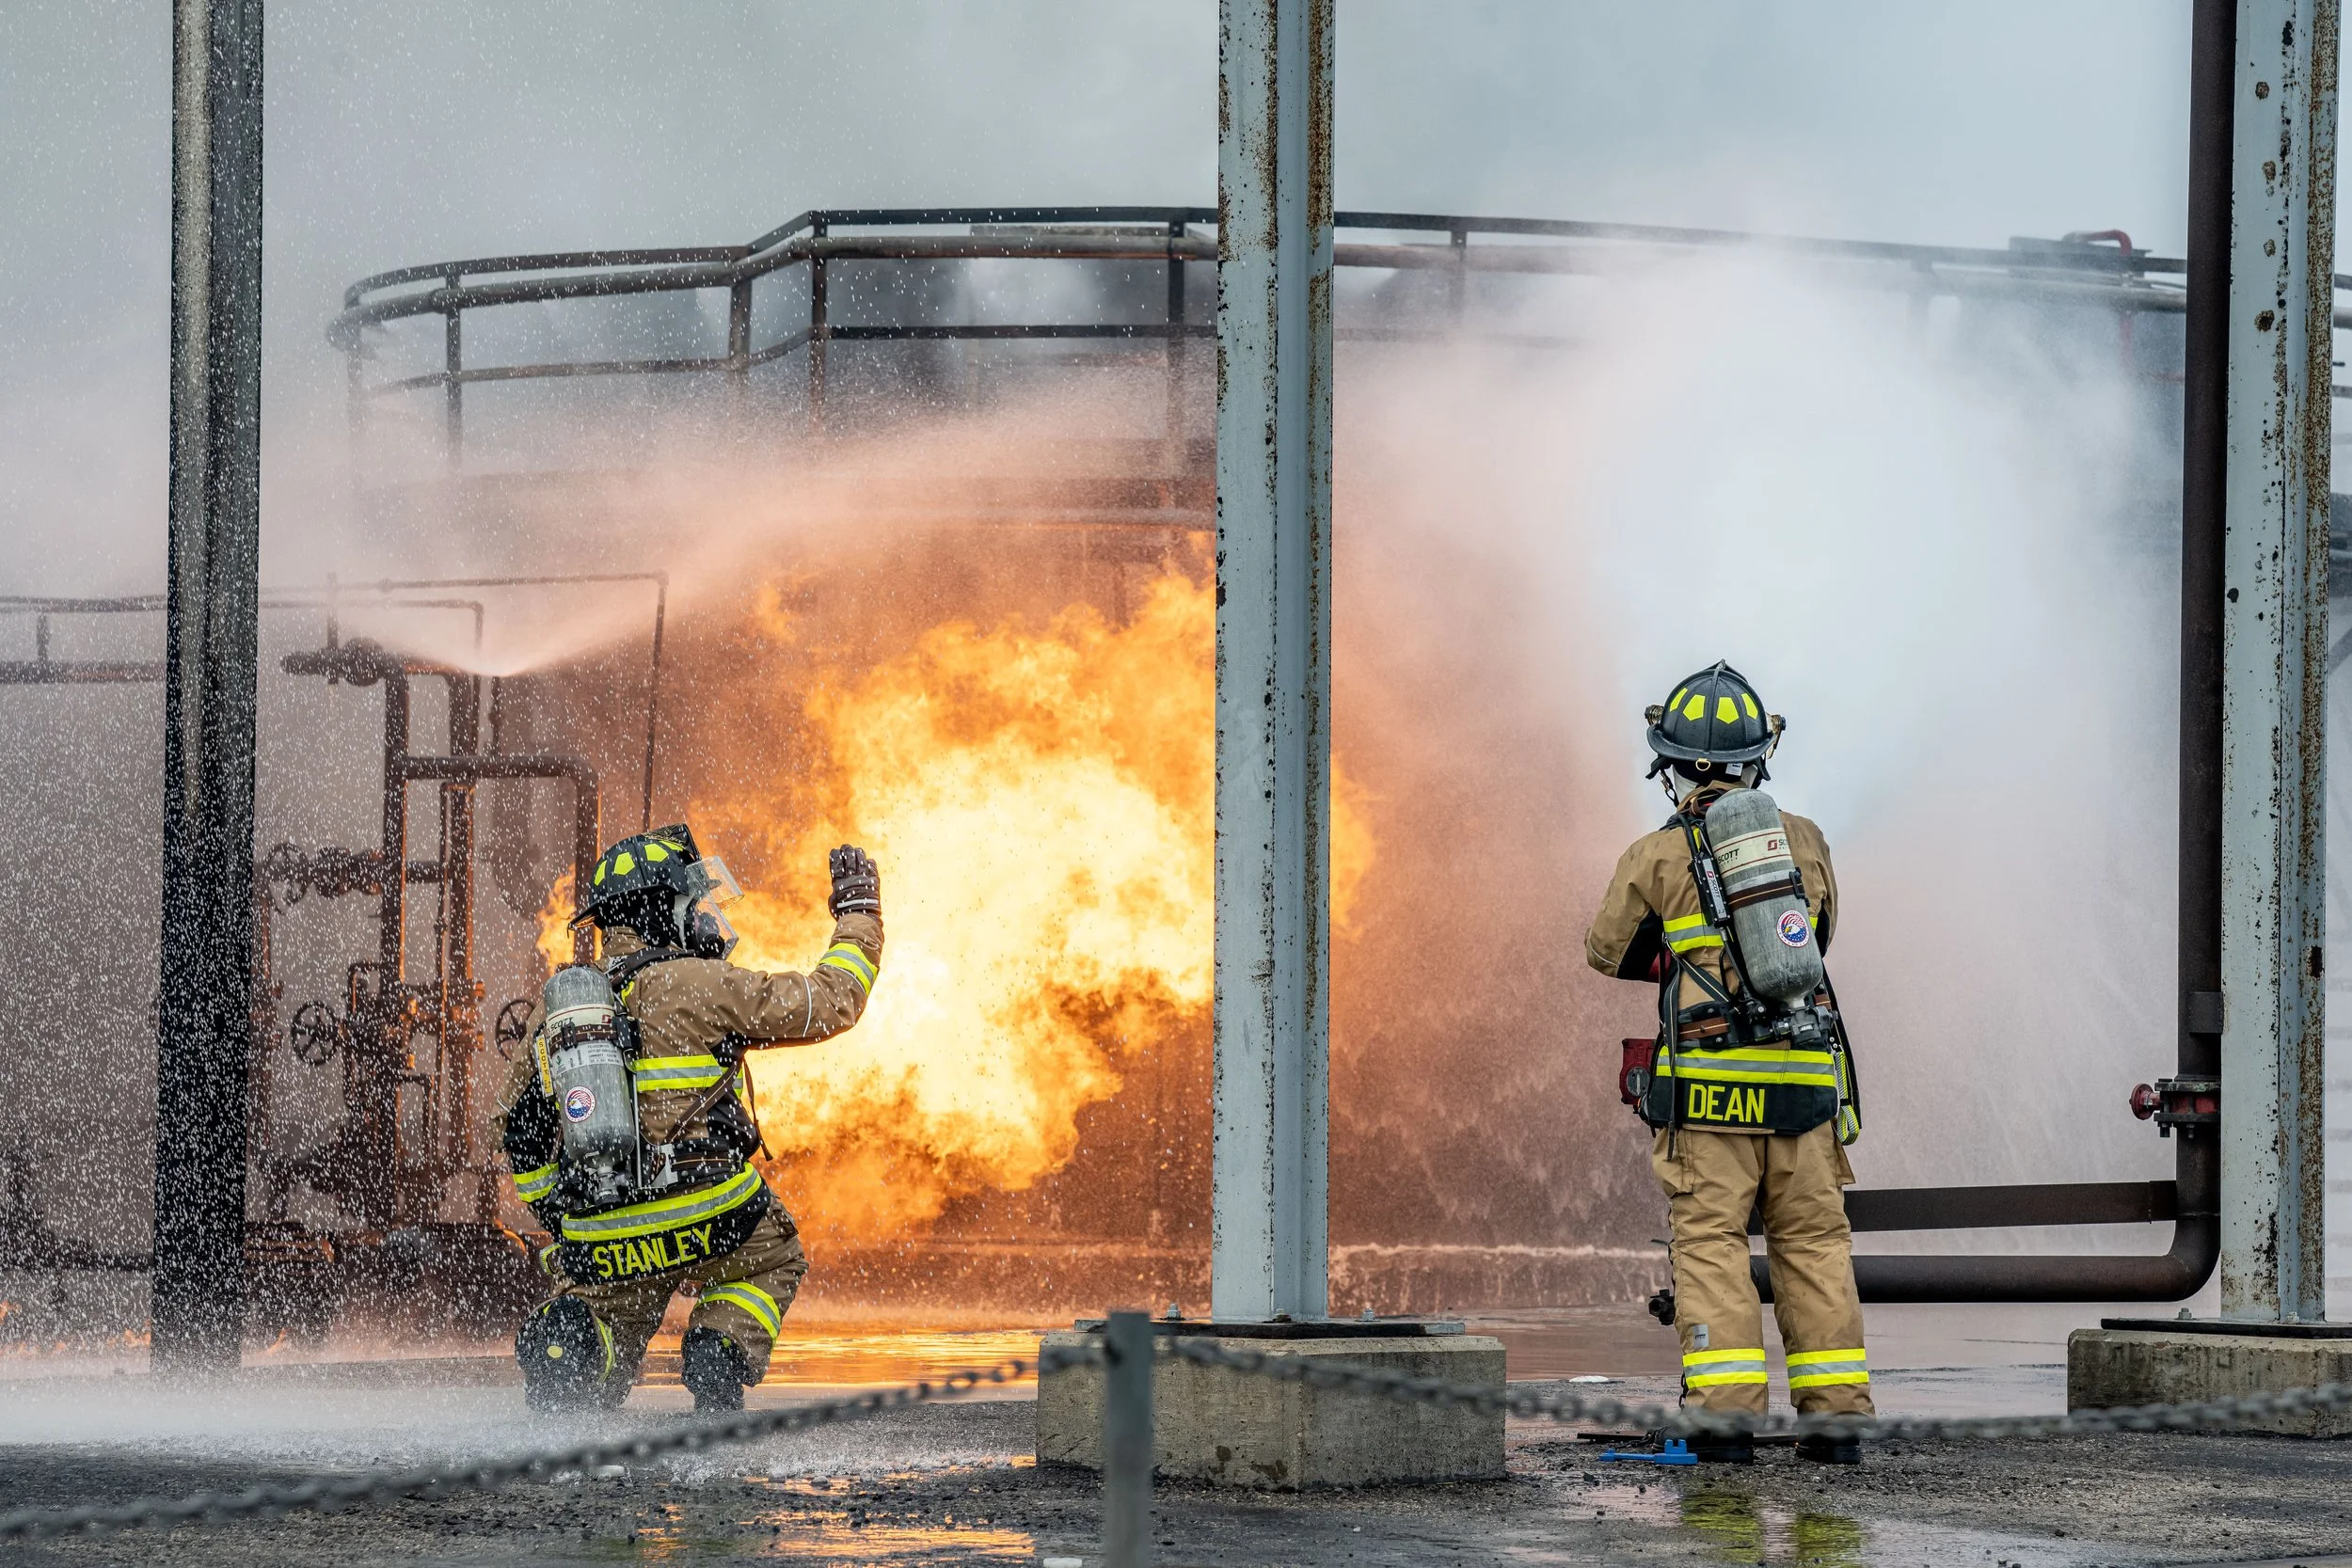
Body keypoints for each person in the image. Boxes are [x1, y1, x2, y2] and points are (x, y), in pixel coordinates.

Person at [1585, 662, 1869, 1465]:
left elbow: (1605, 950)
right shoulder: (1805, 842)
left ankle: (1725, 1424)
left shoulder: (1656, 855)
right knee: (1814, 1246)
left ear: (1669, 763)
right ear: (1758, 759)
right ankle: (1836, 1422)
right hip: (1806, 1095)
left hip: (1711, 1100)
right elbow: (1817, 939)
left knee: (1711, 1246)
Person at [497, 825, 882, 1413]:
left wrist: (559, 1214)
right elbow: (829, 1002)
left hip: (604, 1233)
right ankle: (719, 1348)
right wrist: (859, 912)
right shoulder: (701, 984)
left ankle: (573, 1348)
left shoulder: (557, 1015)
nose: (701, 916)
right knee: (774, 1259)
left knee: (608, 1322)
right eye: (689, 903)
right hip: (711, 1215)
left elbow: (519, 1129)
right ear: (660, 909)